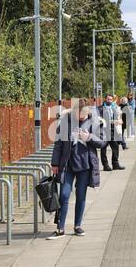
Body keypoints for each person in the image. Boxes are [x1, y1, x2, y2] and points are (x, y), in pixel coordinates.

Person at [48, 99, 106, 240]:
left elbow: (103, 142)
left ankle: (77, 226)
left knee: (81, 196)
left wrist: (89, 137)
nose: (79, 118)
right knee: (64, 195)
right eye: (77, 115)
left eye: (82, 116)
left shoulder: (95, 122)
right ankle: (60, 228)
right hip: (67, 164)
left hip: (85, 165)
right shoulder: (65, 122)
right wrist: (55, 164)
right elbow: (58, 144)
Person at [98, 94, 125, 171]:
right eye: (108, 99)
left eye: (111, 100)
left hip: (113, 130)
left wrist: (119, 121)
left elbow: (119, 118)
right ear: (105, 99)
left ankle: (115, 164)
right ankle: (105, 165)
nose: (109, 101)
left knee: (115, 147)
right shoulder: (100, 109)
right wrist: (110, 122)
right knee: (103, 149)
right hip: (104, 131)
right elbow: (98, 120)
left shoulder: (114, 108)